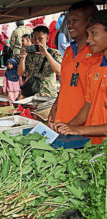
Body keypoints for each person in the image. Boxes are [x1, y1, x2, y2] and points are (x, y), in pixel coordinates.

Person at [54, 10, 107, 145]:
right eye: (88, 34)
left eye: (94, 33)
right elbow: (88, 105)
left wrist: (79, 130)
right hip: (95, 145)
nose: (89, 40)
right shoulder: (97, 69)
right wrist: (68, 127)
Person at [48, 1, 99, 128]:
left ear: (89, 21)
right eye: (68, 20)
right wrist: (55, 106)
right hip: (64, 123)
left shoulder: (98, 54)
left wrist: (72, 125)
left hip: (85, 128)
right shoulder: (68, 51)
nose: (70, 24)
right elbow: (65, 84)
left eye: (75, 20)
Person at [18, 26, 62, 97]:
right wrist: (23, 58)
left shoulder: (54, 53)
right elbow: (20, 73)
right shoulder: (29, 54)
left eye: (40, 39)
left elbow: (59, 71)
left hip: (47, 94)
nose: (37, 41)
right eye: (35, 39)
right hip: (31, 94)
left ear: (47, 38)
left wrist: (46, 54)